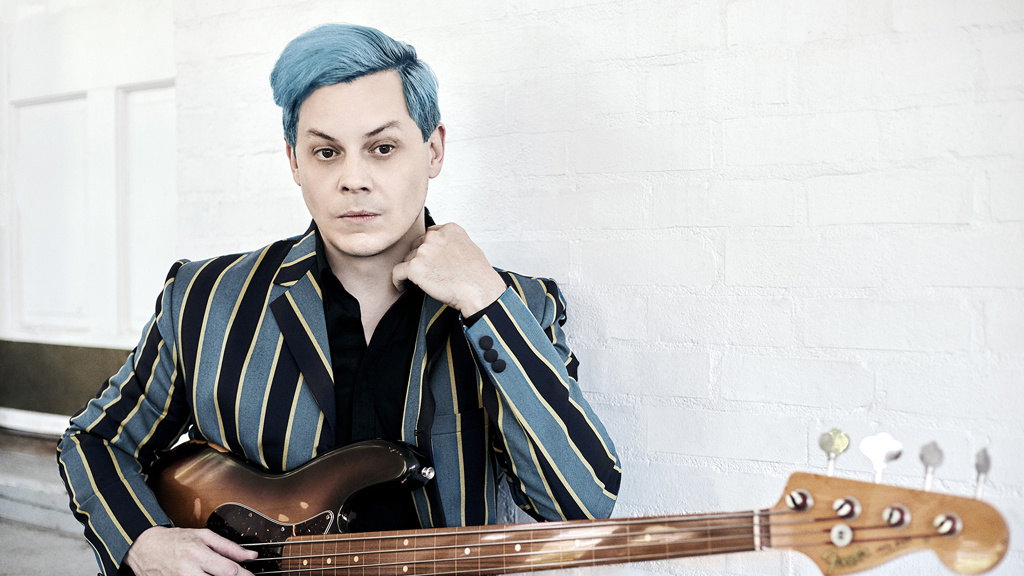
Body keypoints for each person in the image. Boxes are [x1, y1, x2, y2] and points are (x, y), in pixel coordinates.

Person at [57, 23, 620, 576]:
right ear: (294, 161)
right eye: (326, 152)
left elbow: (580, 504)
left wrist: (482, 299)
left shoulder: (517, 307)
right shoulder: (204, 298)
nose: (353, 178)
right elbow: (96, 440)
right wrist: (141, 541)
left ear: (433, 151)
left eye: (382, 148)